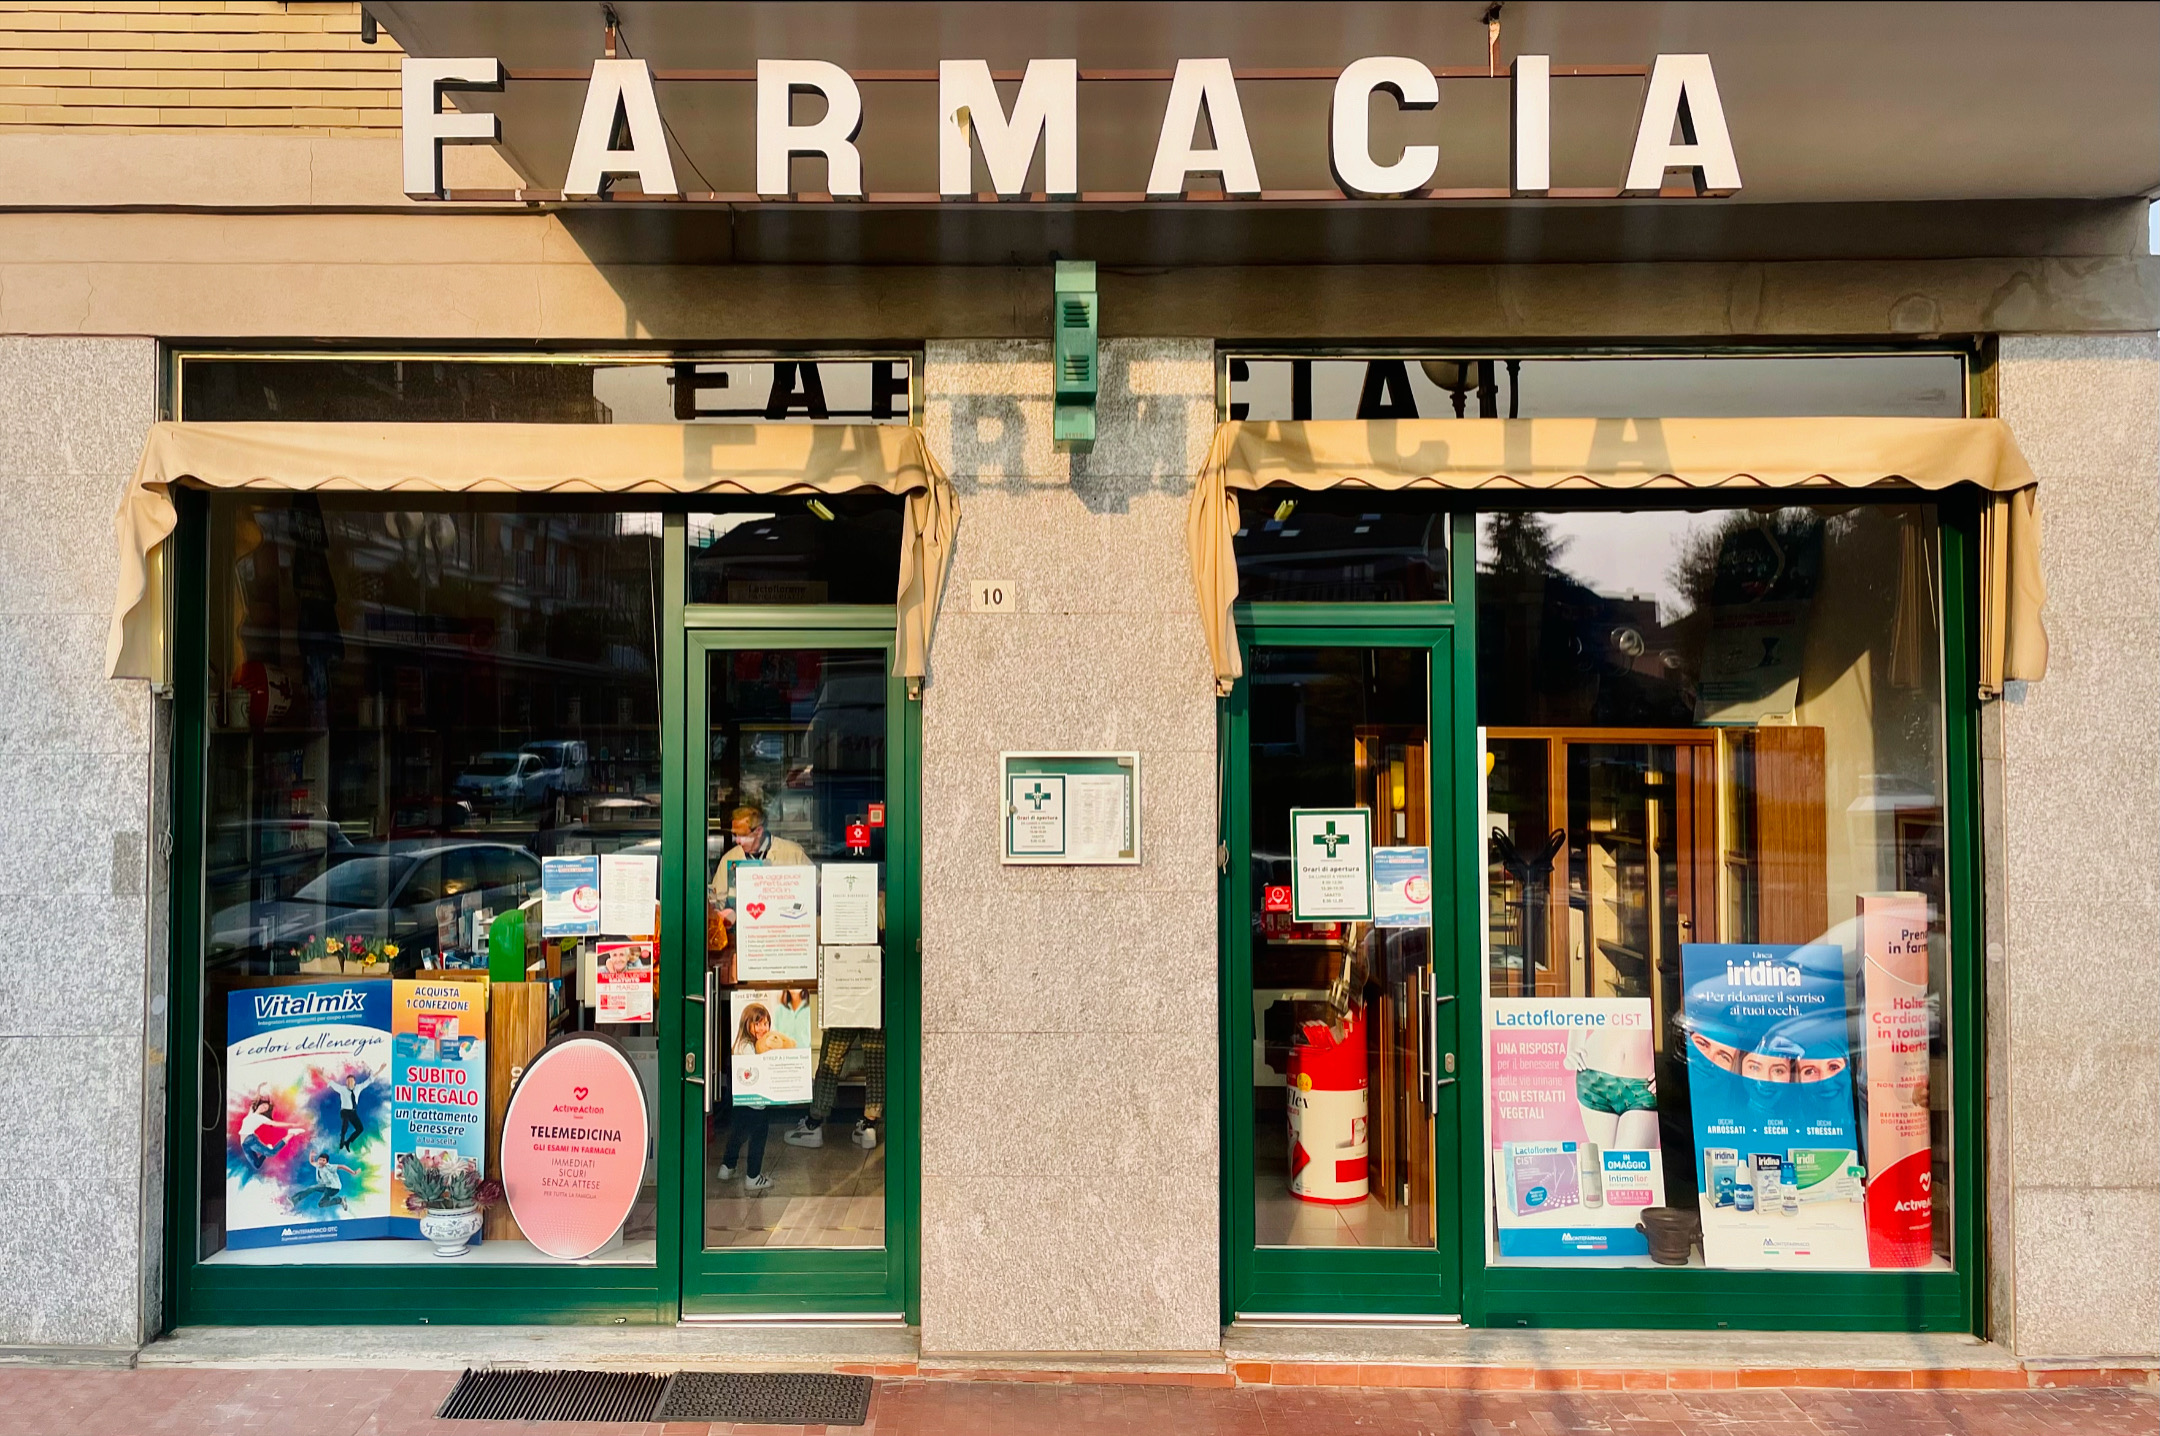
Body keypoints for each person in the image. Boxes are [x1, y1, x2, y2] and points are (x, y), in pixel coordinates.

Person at [711, 803, 811, 930]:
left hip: (786, 931)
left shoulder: (792, 853)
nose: (737, 841)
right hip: (745, 932)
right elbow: (718, 902)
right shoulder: (729, 858)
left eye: (742, 835)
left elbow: (817, 890)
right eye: (735, 835)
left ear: (758, 831)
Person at [783, 1029, 886, 1151]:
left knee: (831, 1058)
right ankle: (869, 1126)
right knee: (876, 1060)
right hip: (876, 1011)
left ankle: (814, 1124)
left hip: (844, 1013)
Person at [1565, 1021, 1658, 1154]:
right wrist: (1573, 1046)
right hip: (1594, 1078)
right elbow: (1580, 1007)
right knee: (1605, 1168)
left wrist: (1665, 1066)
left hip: (1643, 1085)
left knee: (1631, 1168)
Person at [238, 1098, 303, 1171]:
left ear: (265, 1111)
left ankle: (291, 1133)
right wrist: (259, 1087)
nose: (263, 1107)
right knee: (257, 1165)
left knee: (271, 1153)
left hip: (250, 1141)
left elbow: (275, 1124)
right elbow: (255, 1099)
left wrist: (293, 1125)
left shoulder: (262, 1118)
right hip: (244, 1145)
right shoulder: (251, 1113)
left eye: (265, 1108)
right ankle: (266, 1152)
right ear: (260, 1104)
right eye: (263, 1105)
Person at [334, 1069, 377, 1151]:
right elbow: (331, 1083)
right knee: (345, 1125)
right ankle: (342, 1139)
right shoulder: (342, 1089)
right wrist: (321, 1074)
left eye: (351, 1081)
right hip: (344, 1111)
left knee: (360, 1129)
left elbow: (369, 1080)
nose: (350, 1083)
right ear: (346, 1083)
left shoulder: (358, 1087)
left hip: (353, 1112)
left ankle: (348, 1142)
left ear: (354, 1082)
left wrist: (380, 1070)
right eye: (348, 1081)